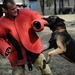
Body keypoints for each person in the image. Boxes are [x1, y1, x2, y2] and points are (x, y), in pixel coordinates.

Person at [0, 0, 53, 75]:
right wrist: (4, 47)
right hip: (16, 53)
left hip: (33, 48)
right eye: (12, 9)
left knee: (47, 71)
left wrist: (38, 23)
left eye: (16, 7)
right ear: (5, 10)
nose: (16, 10)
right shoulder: (2, 22)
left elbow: (39, 17)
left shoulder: (26, 13)